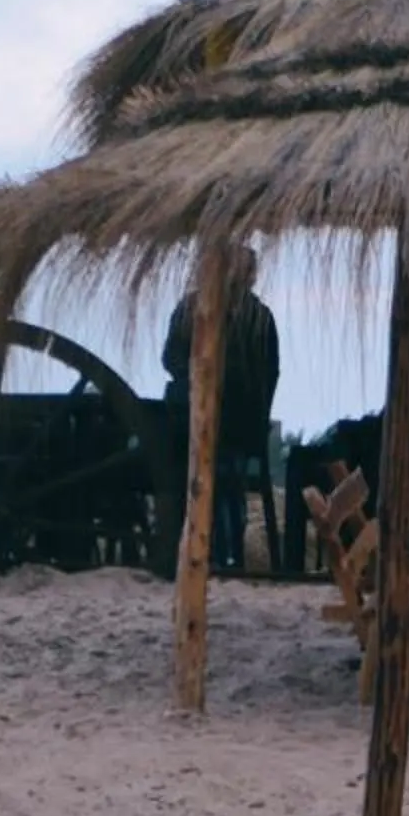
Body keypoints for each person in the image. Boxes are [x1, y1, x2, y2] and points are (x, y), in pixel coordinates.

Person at [163, 242, 284, 572]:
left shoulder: (196, 310)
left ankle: (208, 552)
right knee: (228, 482)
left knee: (211, 475)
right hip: (239, 425)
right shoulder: (259, 317)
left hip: (213, 425)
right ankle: (227, 554)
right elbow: (271, 373)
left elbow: (171, 360)